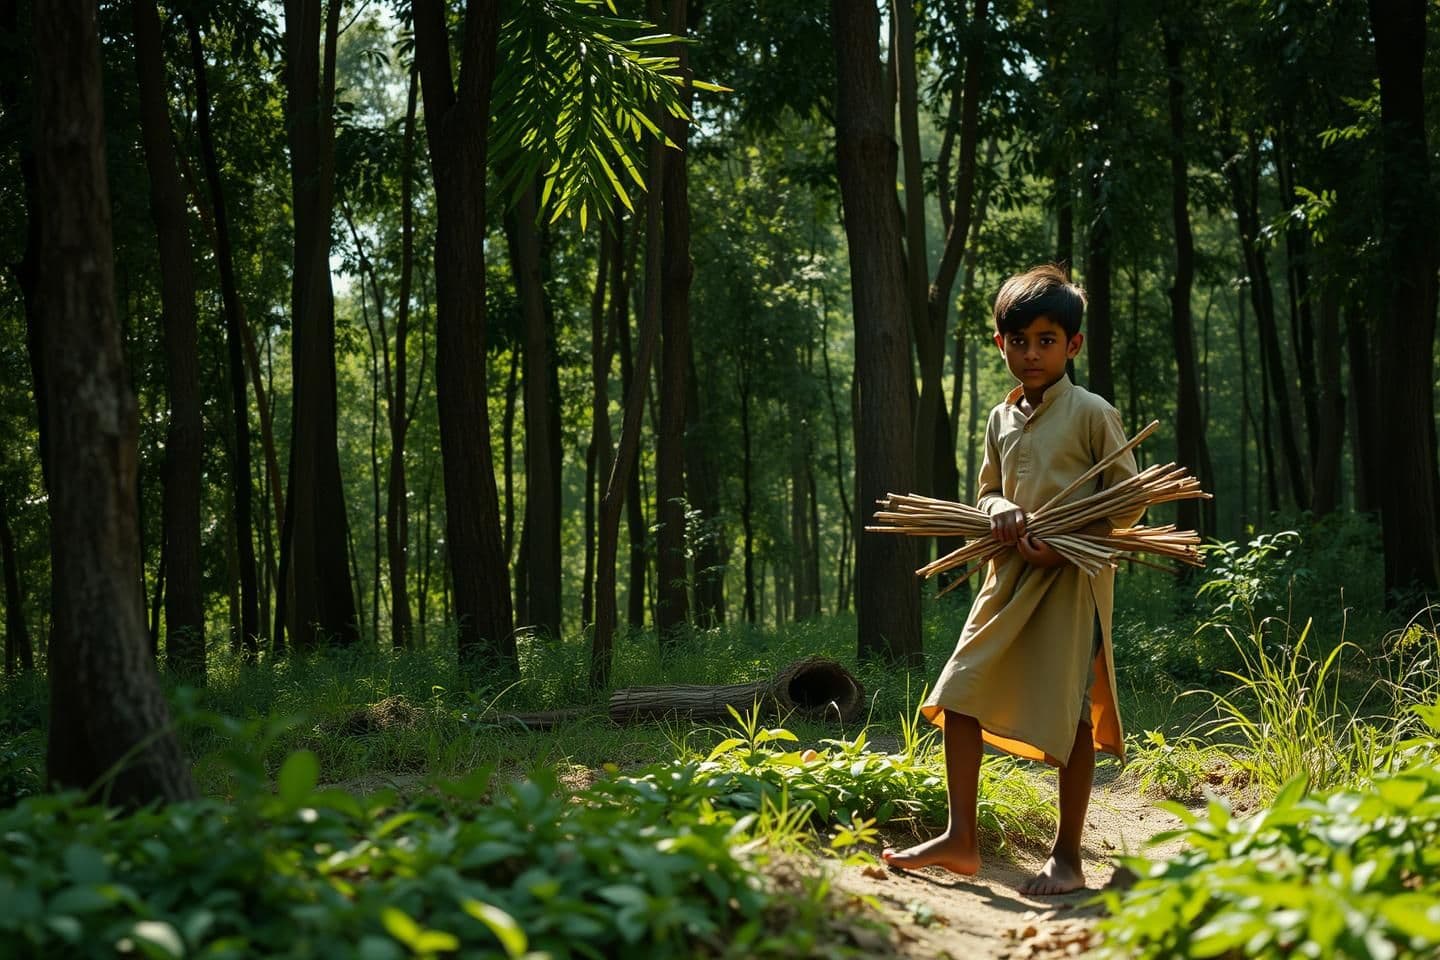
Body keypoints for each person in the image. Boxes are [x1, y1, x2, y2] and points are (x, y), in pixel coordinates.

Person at [881, 264, 1143, 896]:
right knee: (960, 691)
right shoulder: (1001, 418)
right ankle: (960, 836)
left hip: (1071, 582)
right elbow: (989, 492)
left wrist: (1065, 545)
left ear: (1072, 345)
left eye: (1046, 340)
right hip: (1007, 578)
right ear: (1000, 344)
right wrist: (998, 510)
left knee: (1071, 713)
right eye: (1018, 341)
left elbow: (1130, 503)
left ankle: (1068, 855)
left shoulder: (1091, 414)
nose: (1031, 353)